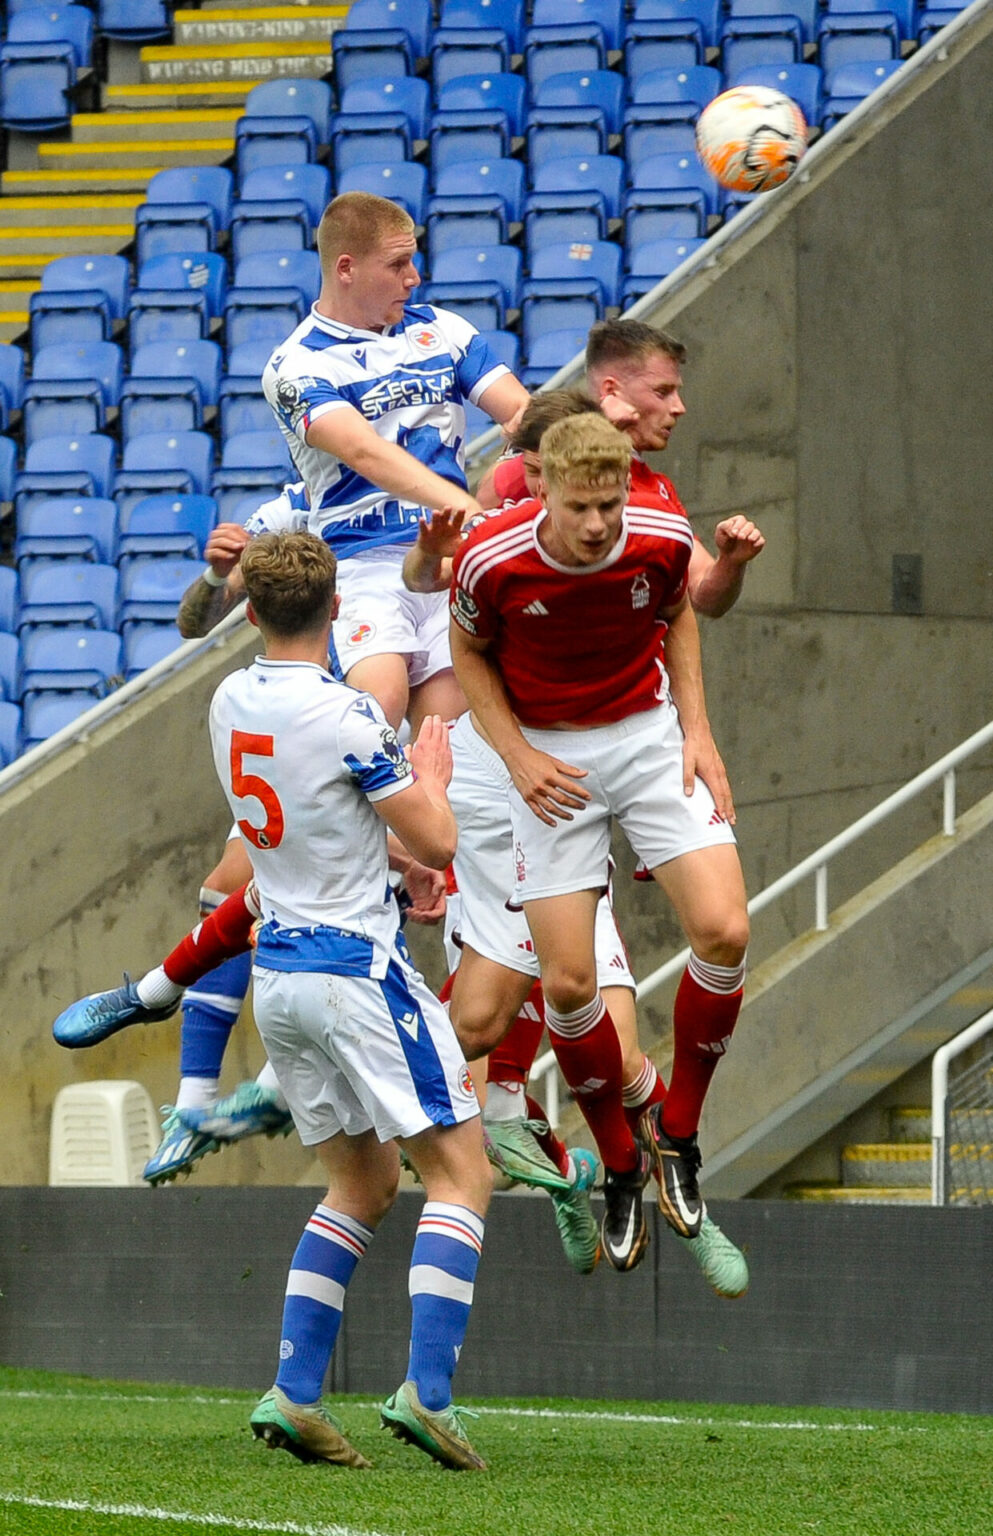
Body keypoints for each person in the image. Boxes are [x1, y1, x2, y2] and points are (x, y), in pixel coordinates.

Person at [210, 529, 490, 1470]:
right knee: (461, 1173)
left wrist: (390, 850)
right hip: (354, 970)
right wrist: (434, 783)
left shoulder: (227, 701)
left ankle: (293, 1396)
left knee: (360, 1184)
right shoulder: (348, 717)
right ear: (337, 614)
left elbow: (310, 823)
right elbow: (441, 841)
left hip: (278, 976)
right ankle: (428, 1394)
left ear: (250, 612)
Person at [449, 413, 750, 1267]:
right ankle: (620, 1163)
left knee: (725, 929)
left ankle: (677, 1141)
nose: (595, 525)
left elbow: (679, 614)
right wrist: (516, 759)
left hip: (647, 736)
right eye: (580, 507)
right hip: (549, 756)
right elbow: (466, 652)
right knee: (570, 982)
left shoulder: (654, 531)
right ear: (542, 487)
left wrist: (696, 728)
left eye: (609, 505)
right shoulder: (490, 556)